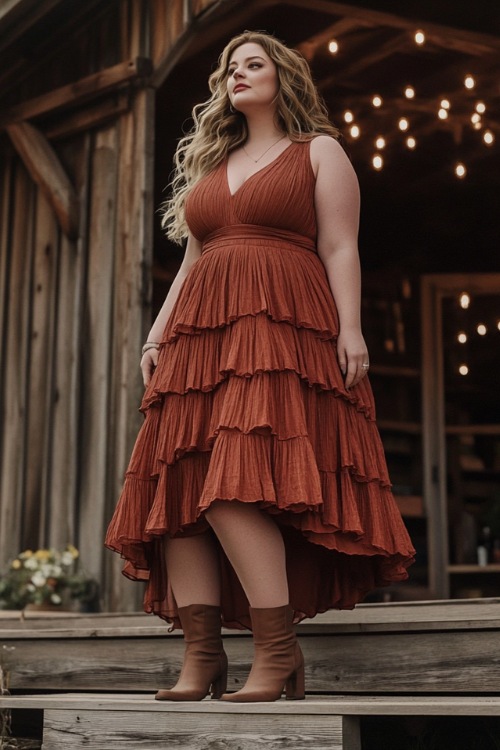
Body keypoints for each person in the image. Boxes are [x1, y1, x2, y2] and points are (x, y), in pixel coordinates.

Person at [105, 30, 415, 703]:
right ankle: (203, 657)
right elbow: (192, 261)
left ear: (284, 79)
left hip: (280, 331)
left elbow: (339, 246)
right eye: (230, 69)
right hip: (199, 339)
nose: (238, 75)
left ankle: (277, 654)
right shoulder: (213, 167)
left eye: (254, 64)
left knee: (235, 489)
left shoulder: (318, 151)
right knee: (181, 498)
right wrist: (156, 335)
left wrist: (351, 327)